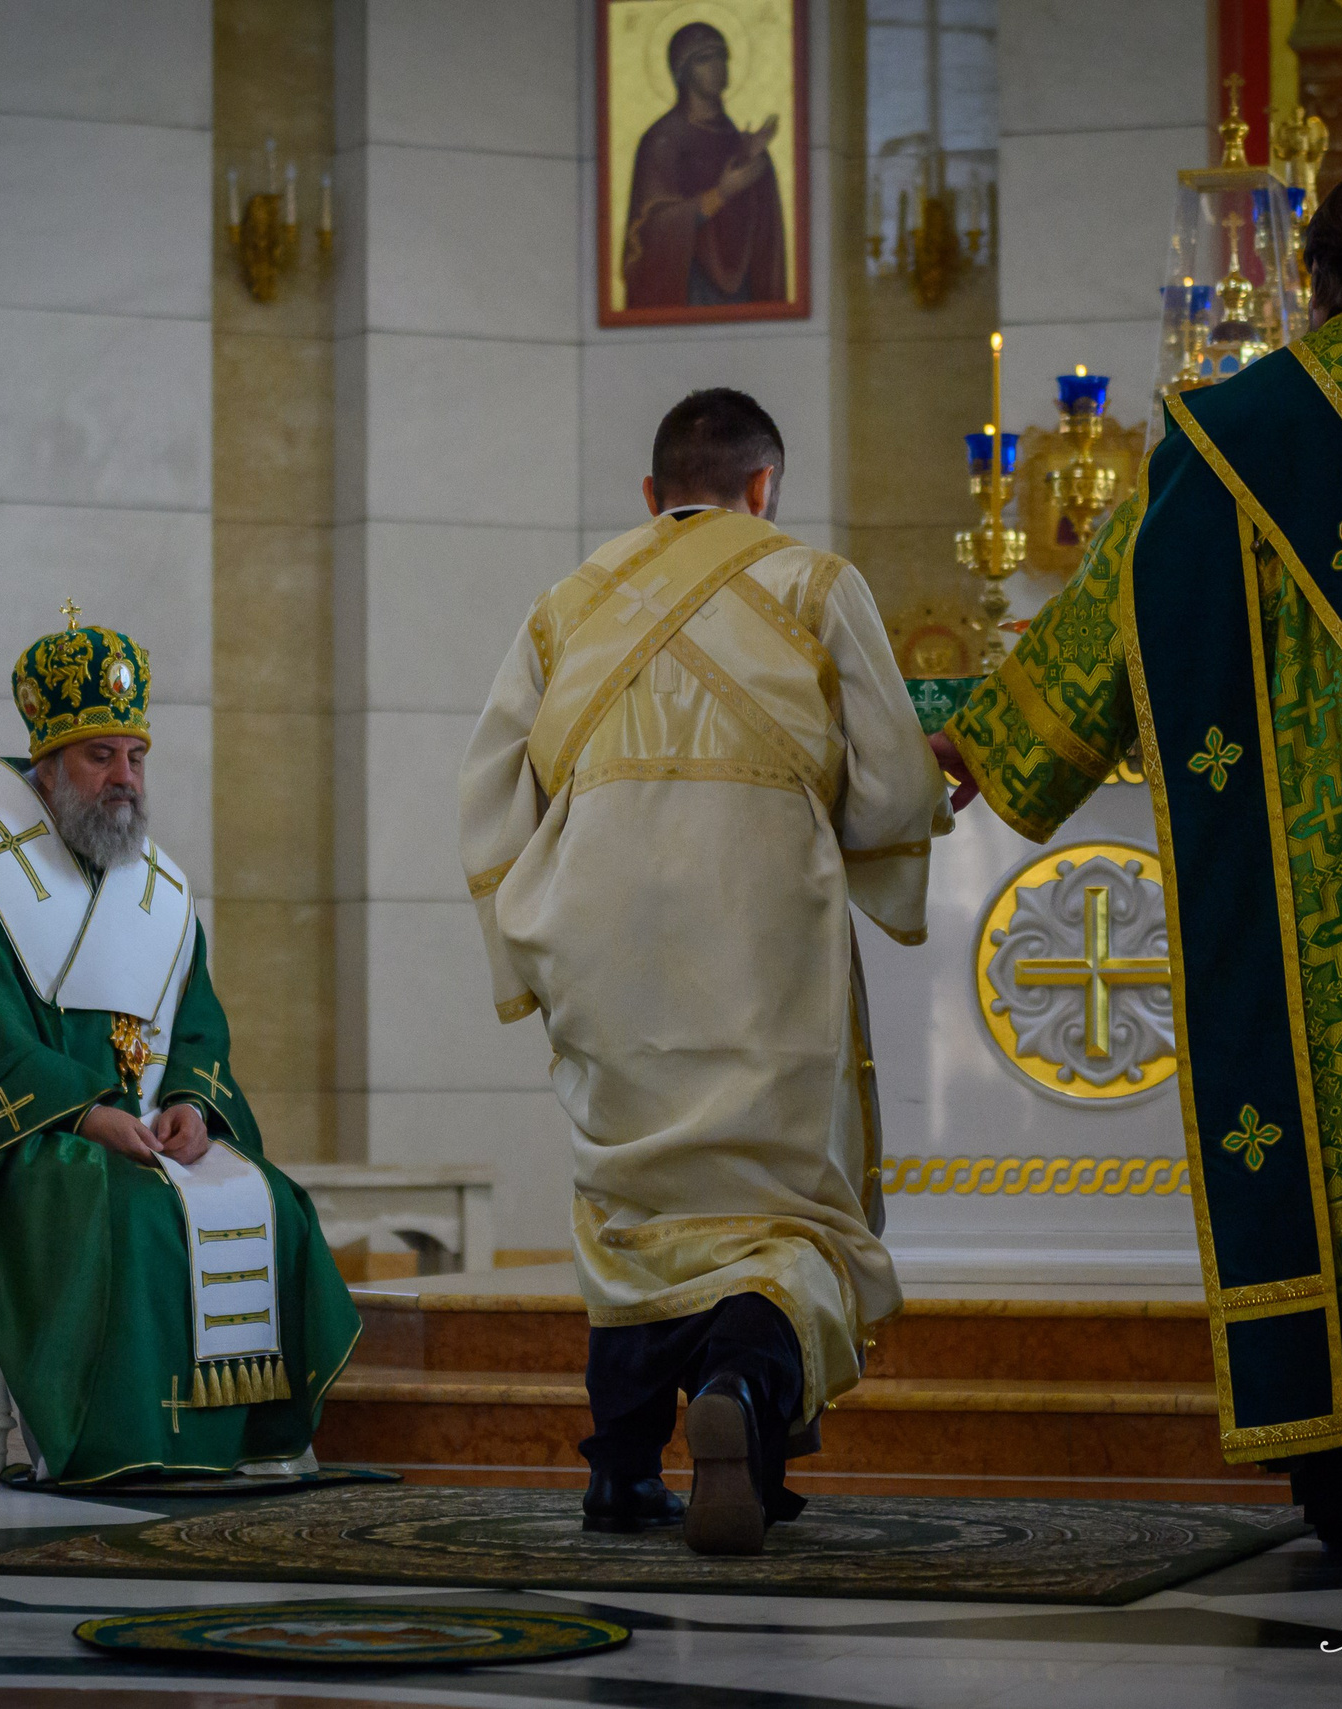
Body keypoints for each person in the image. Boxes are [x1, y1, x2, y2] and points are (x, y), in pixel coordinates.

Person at [933, 173, 1342, 1558]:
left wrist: (977, 754)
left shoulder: (1240, 431)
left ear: (1316, 289)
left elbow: (1109, 623)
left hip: (1319, 895)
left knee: (1341, 1161)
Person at [460, 388, 945, 1555]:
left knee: (636, 1204)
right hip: (762, 955)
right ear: (764, 488)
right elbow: (887, 789)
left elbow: (488, 800)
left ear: (652, 493)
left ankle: (623, 1470)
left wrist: (529, 954)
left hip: (603, 953)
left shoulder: (563, 607)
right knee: (775, 1209)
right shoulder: (815, 586)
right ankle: (739, 1383)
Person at [0, 613, 359, 1485]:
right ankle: (121, 1440)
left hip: (149, 1135)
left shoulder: (158, 887)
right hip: (15, 1148)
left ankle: (242, 1437)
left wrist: (193, 1106)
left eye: (136, 756)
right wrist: (88, 1114)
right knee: (122, 1206)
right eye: (100, 756)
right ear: (46, 769)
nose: (124, 778)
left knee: (271, 1197)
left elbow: (198, 1023)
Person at [621, 22, 785, 310]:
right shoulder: (662, 138)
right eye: (704, 58)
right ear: (682, 71)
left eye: (722, 55)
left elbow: (756, 219)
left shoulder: (735, 138)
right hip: (689, 283)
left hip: (742, 283)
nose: (717, 65)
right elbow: (650, 229)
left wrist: (755, 158)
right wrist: (721, 194)